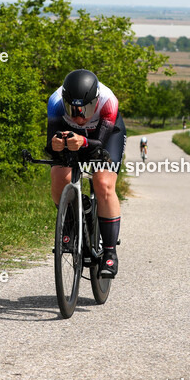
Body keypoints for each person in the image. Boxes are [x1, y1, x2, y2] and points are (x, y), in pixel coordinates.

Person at [46, 69, 125, 278]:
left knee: (103, 183)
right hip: (73, 134)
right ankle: (70, 224)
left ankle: (110, 252)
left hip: (106, 134)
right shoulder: (55, 102)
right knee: (59, 177)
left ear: (96, 100)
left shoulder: (108, 101)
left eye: (85, 109)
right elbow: (50, 145)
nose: (79, 116)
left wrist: (83, 142)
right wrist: (55, 144)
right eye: (72, 109)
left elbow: (99, 144)